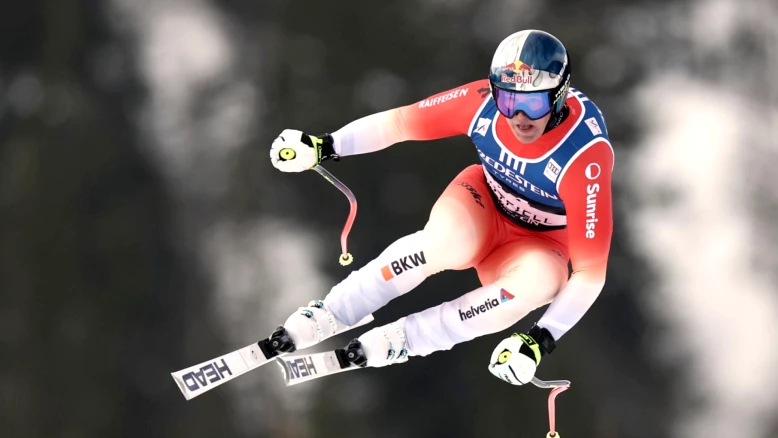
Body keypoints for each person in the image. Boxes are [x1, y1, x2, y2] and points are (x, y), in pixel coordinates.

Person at [266, 29, 613, 386]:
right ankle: (333, 312)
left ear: (560, 96)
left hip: (540, 245)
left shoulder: (584, 157)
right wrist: (325, 145)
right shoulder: (481, 103)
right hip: (482, 205)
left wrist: (539, 341)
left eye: (534, 103)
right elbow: (402, 122)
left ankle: (405, 340)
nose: (520, 116)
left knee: (533, 286)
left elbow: (589, 273)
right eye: (508, 101)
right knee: (442, 244)